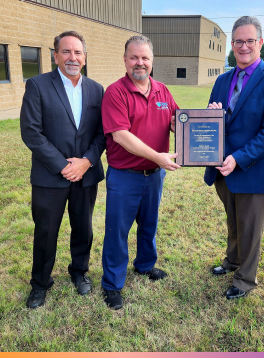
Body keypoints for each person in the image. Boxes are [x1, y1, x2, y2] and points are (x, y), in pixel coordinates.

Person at [205, 16, 264, 300]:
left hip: (251, 169)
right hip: (221, 169)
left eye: (249, 41)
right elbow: (210, 120)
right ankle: (232, 261)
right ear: (232, 44)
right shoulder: (222, 79)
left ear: (260, 43)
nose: (244, 46)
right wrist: (213, 114)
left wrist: (239, 158)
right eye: (238, 41)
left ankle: (245, 279)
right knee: (233, 220)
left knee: (250, 227)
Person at [20, 31, 106, 309]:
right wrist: (63, 166)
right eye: (66, 52)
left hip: (86, 175)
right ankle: (40, 283)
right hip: (49, 176)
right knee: (46, 231)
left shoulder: (96, 89)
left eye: (78, 52)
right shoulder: (37, 85)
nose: (73, 57)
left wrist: (86, 162)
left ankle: (79, 272)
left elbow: (102, 133)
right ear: (55, 55)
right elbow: (31, 132)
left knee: (83, 228)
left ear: (84, 57)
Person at [100, 35, 180, 310]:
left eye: (145, 58)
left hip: (154, 176)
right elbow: (121, 135)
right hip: (125, 176)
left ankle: (145, 266)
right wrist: (157, 156)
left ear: (152, 61)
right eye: (134, 57)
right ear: (125, 60)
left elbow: (177, 122)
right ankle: (112, 284)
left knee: (149, 225)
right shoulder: (116, 92)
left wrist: (208, 119)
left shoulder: (162, 91)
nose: (140, 63)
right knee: (117, 231)